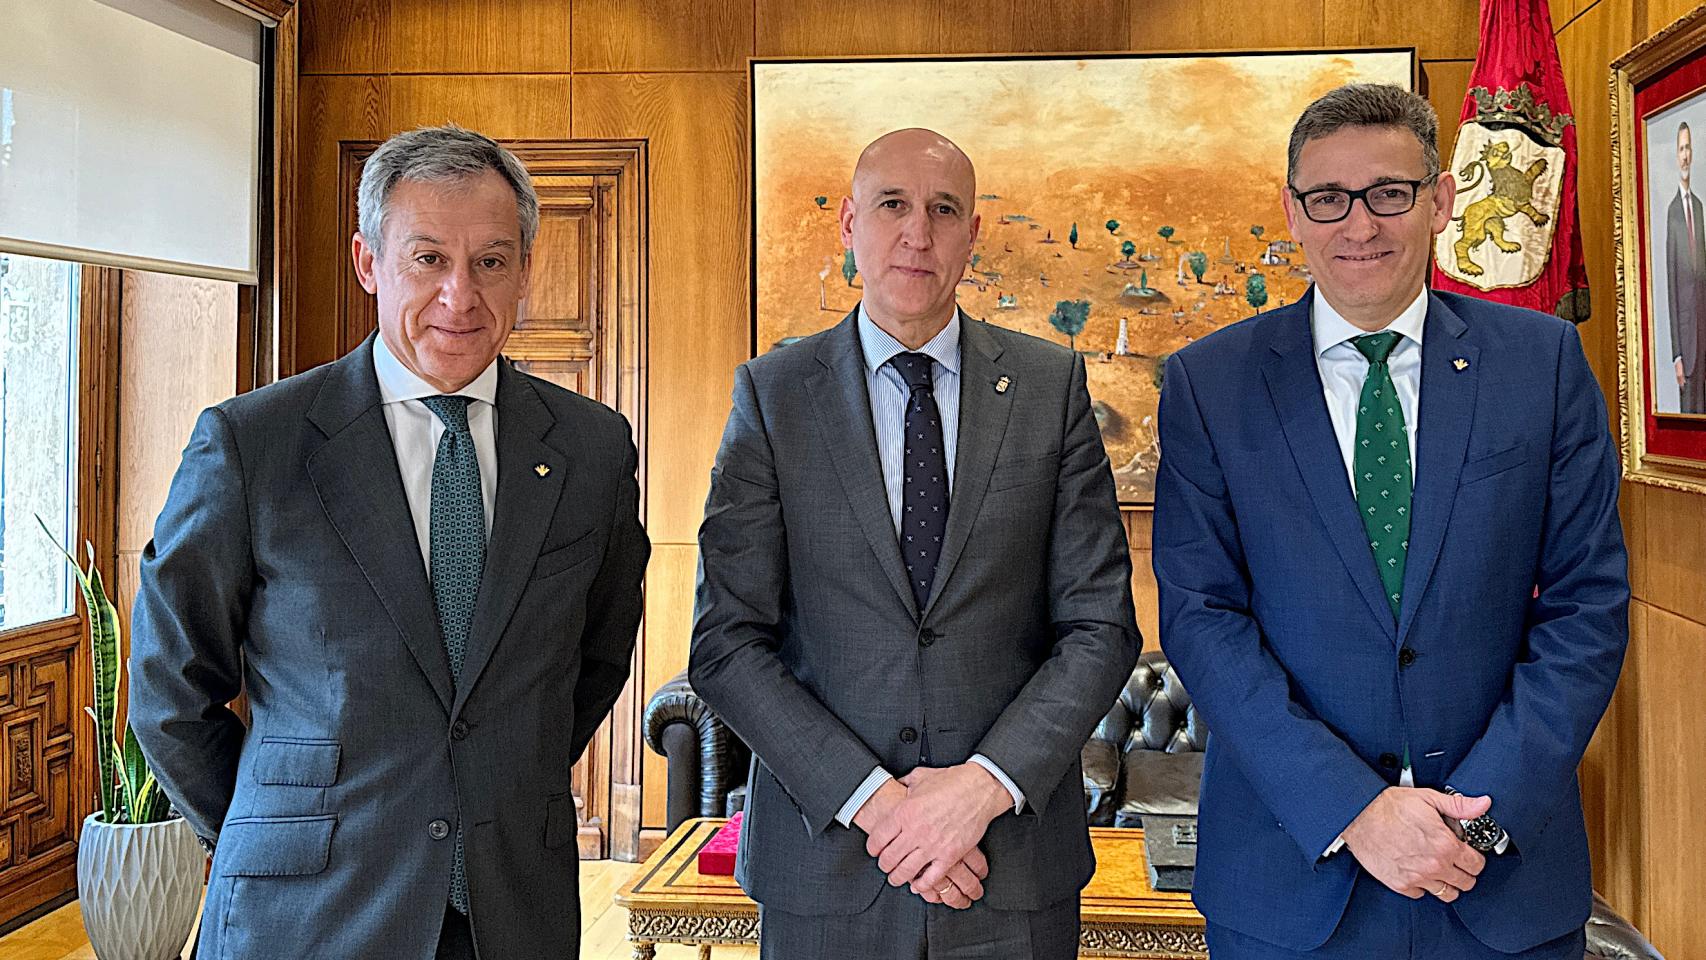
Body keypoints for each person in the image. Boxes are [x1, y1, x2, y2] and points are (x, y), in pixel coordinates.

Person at [128, 125, 649, 959]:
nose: (460, 297)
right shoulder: (253, 444)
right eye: (428, 259)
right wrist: (277, 826)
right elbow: (168, 685)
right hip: (304, 913)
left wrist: (496, 778)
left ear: (524, 269)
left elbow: (593, 660)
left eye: (491, 261)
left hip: (510, 907)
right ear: (369, 261)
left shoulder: (592, 450)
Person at [1153, 84, 1629, 959]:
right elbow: (1201, 618)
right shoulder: (1207, 385)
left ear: (1441, 200)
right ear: (1292, 213)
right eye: (1328, 199)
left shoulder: (1543, 364)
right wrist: (1353, 809)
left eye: (1389, 193)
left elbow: (1588, 608)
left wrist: (1471, 826)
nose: (1359, 225)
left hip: (1497, 879)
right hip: (1292, 883)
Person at [690, 128, 1139, 959]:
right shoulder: (774, 396)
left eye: (943, 210)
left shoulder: (1051, 389)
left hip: (1009, 865)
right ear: (850, 224)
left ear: (973, 234)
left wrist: (978, 790)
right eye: (892, 205)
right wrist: (879, 804)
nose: (917, 233)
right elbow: (726, 642)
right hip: (828, 867)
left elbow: (1100, 628)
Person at [1665, 121, 1705, 413]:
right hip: (1687, 346)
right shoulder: (1672, 212)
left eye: (1688, 147)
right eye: (1681, 148)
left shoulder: (1700, 208)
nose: (1685, 155)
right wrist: (1677, 353)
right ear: (1675, 156)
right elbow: (1671, 286)